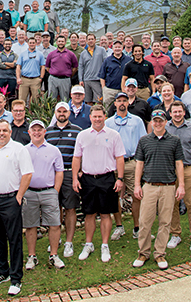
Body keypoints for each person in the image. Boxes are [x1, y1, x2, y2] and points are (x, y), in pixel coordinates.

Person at [0, 120, 34, 297]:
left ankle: (16, 278)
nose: (1, 133)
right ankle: (2, 272)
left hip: (11, 199)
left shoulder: (19, 149)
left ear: (10, 132)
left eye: (4, 130)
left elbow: (27, 174)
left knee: (14, 239)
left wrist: (19, 196)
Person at [131, 110, 185, 270]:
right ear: (151, 123)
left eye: (161, 121)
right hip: (149, 186)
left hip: (168, 186)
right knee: (145, 221)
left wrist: (181, 185)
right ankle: (143, 252)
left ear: (165, 122)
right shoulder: (144, 141)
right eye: (155, 121)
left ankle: (159, 254)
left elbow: (179, 163)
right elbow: (139, 164)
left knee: (165, 221)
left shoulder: (174, 141)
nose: (158, 123)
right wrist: (136, 185)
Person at [72, 105, 125, 263]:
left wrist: (120, 178)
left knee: (105, 213)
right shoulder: (82, 135)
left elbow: (119, 158)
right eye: (94, 117)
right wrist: (75, 178)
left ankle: (104, 245)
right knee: (89, 213)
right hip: (87, 178)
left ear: (104, 117)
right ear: (90, 117)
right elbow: (76, 158)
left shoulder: (113, 135)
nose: (97, 119)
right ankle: (88, 244)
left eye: (100, 116)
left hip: (106, 178)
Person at [23, 120, 65, 270]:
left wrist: (55, 190)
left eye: (39, 129)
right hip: (30, 192)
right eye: (33, 130)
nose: (37, 132)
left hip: (49, 192)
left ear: (44, 131)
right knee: (30, 225)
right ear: (29, 132)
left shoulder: (54, 150)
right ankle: (32, 256)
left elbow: (59, 171)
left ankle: (54, 255)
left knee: (54, 224)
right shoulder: (24, 150)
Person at [105, 93, 148, 242]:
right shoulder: (108, 123)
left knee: (137, 194)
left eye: (124, 100)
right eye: (119, 101)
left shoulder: (136, 121)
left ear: (128, 103)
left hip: (131, 162)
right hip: (114, 163)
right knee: (114, 196)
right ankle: (119, 226)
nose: (122, 103)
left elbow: (143, 141)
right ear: (115, 104)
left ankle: (137, 227)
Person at [164, 102, 191, 252]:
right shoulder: (165, 128)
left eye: (179, 111)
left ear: (184, 112)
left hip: (189, 169)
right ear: (170, 113)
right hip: (170, 171)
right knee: (172, 204)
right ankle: (175, 234)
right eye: (174, 112)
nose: (177, 114)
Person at [45, 103, 83, 257]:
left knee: (70, 207)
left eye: (64, 111)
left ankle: (69, 242)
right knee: (55, 208)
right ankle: (56, 238)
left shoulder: (77, 131)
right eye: (59, 111)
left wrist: (79, 171)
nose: (62, 114)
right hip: (52, 175)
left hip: (68, 173)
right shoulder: (47, 132)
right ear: (55, 113)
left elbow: (81, 153)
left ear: (69, 113)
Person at [99, 40, 130, 109]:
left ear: (122, 48)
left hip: (124, 89)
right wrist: (104, 88)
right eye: (116, 47)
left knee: (124, 108)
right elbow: (102, 76)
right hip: (110, 90)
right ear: (112, 49)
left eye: (119, 47)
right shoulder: (107, 60)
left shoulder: (128, 60)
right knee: (108, 109)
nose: (117, 49)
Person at [46, 35, 78, 102]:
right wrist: (55, 72)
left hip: (65, 79)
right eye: (59, 41)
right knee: (51, 99)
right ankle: (51, 112)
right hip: (53, 79)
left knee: (65, 99)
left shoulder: (71, 54)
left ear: (65, 42)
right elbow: (47, 67)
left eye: (62, 41)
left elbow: (75, 67)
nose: (61, 43)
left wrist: (69, 74)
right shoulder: (51, 54)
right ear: (56, 42)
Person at [78, 34, 107, 104]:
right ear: (86, 41)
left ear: (95, 40)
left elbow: (105, 64)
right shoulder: (83, 53)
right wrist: (81, 79)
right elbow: (81, 66)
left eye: (92, 39)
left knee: (99, 100)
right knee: (88, 101)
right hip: (86, 80)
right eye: (89, 39)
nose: (90, 41)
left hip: (97, 80)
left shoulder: (101, 50)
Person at [16, 37, 45, 104]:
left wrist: (41, 78)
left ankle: (35, 114)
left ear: (36, 43)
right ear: (28, 43)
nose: (32, 44)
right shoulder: (23, 54)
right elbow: (18, 66)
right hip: (24, 79)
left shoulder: (40, 54)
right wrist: (18, 78)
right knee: (22, 100)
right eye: (30, 43)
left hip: (35, 80)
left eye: (33, 43)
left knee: (36, 101)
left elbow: (43, 66)